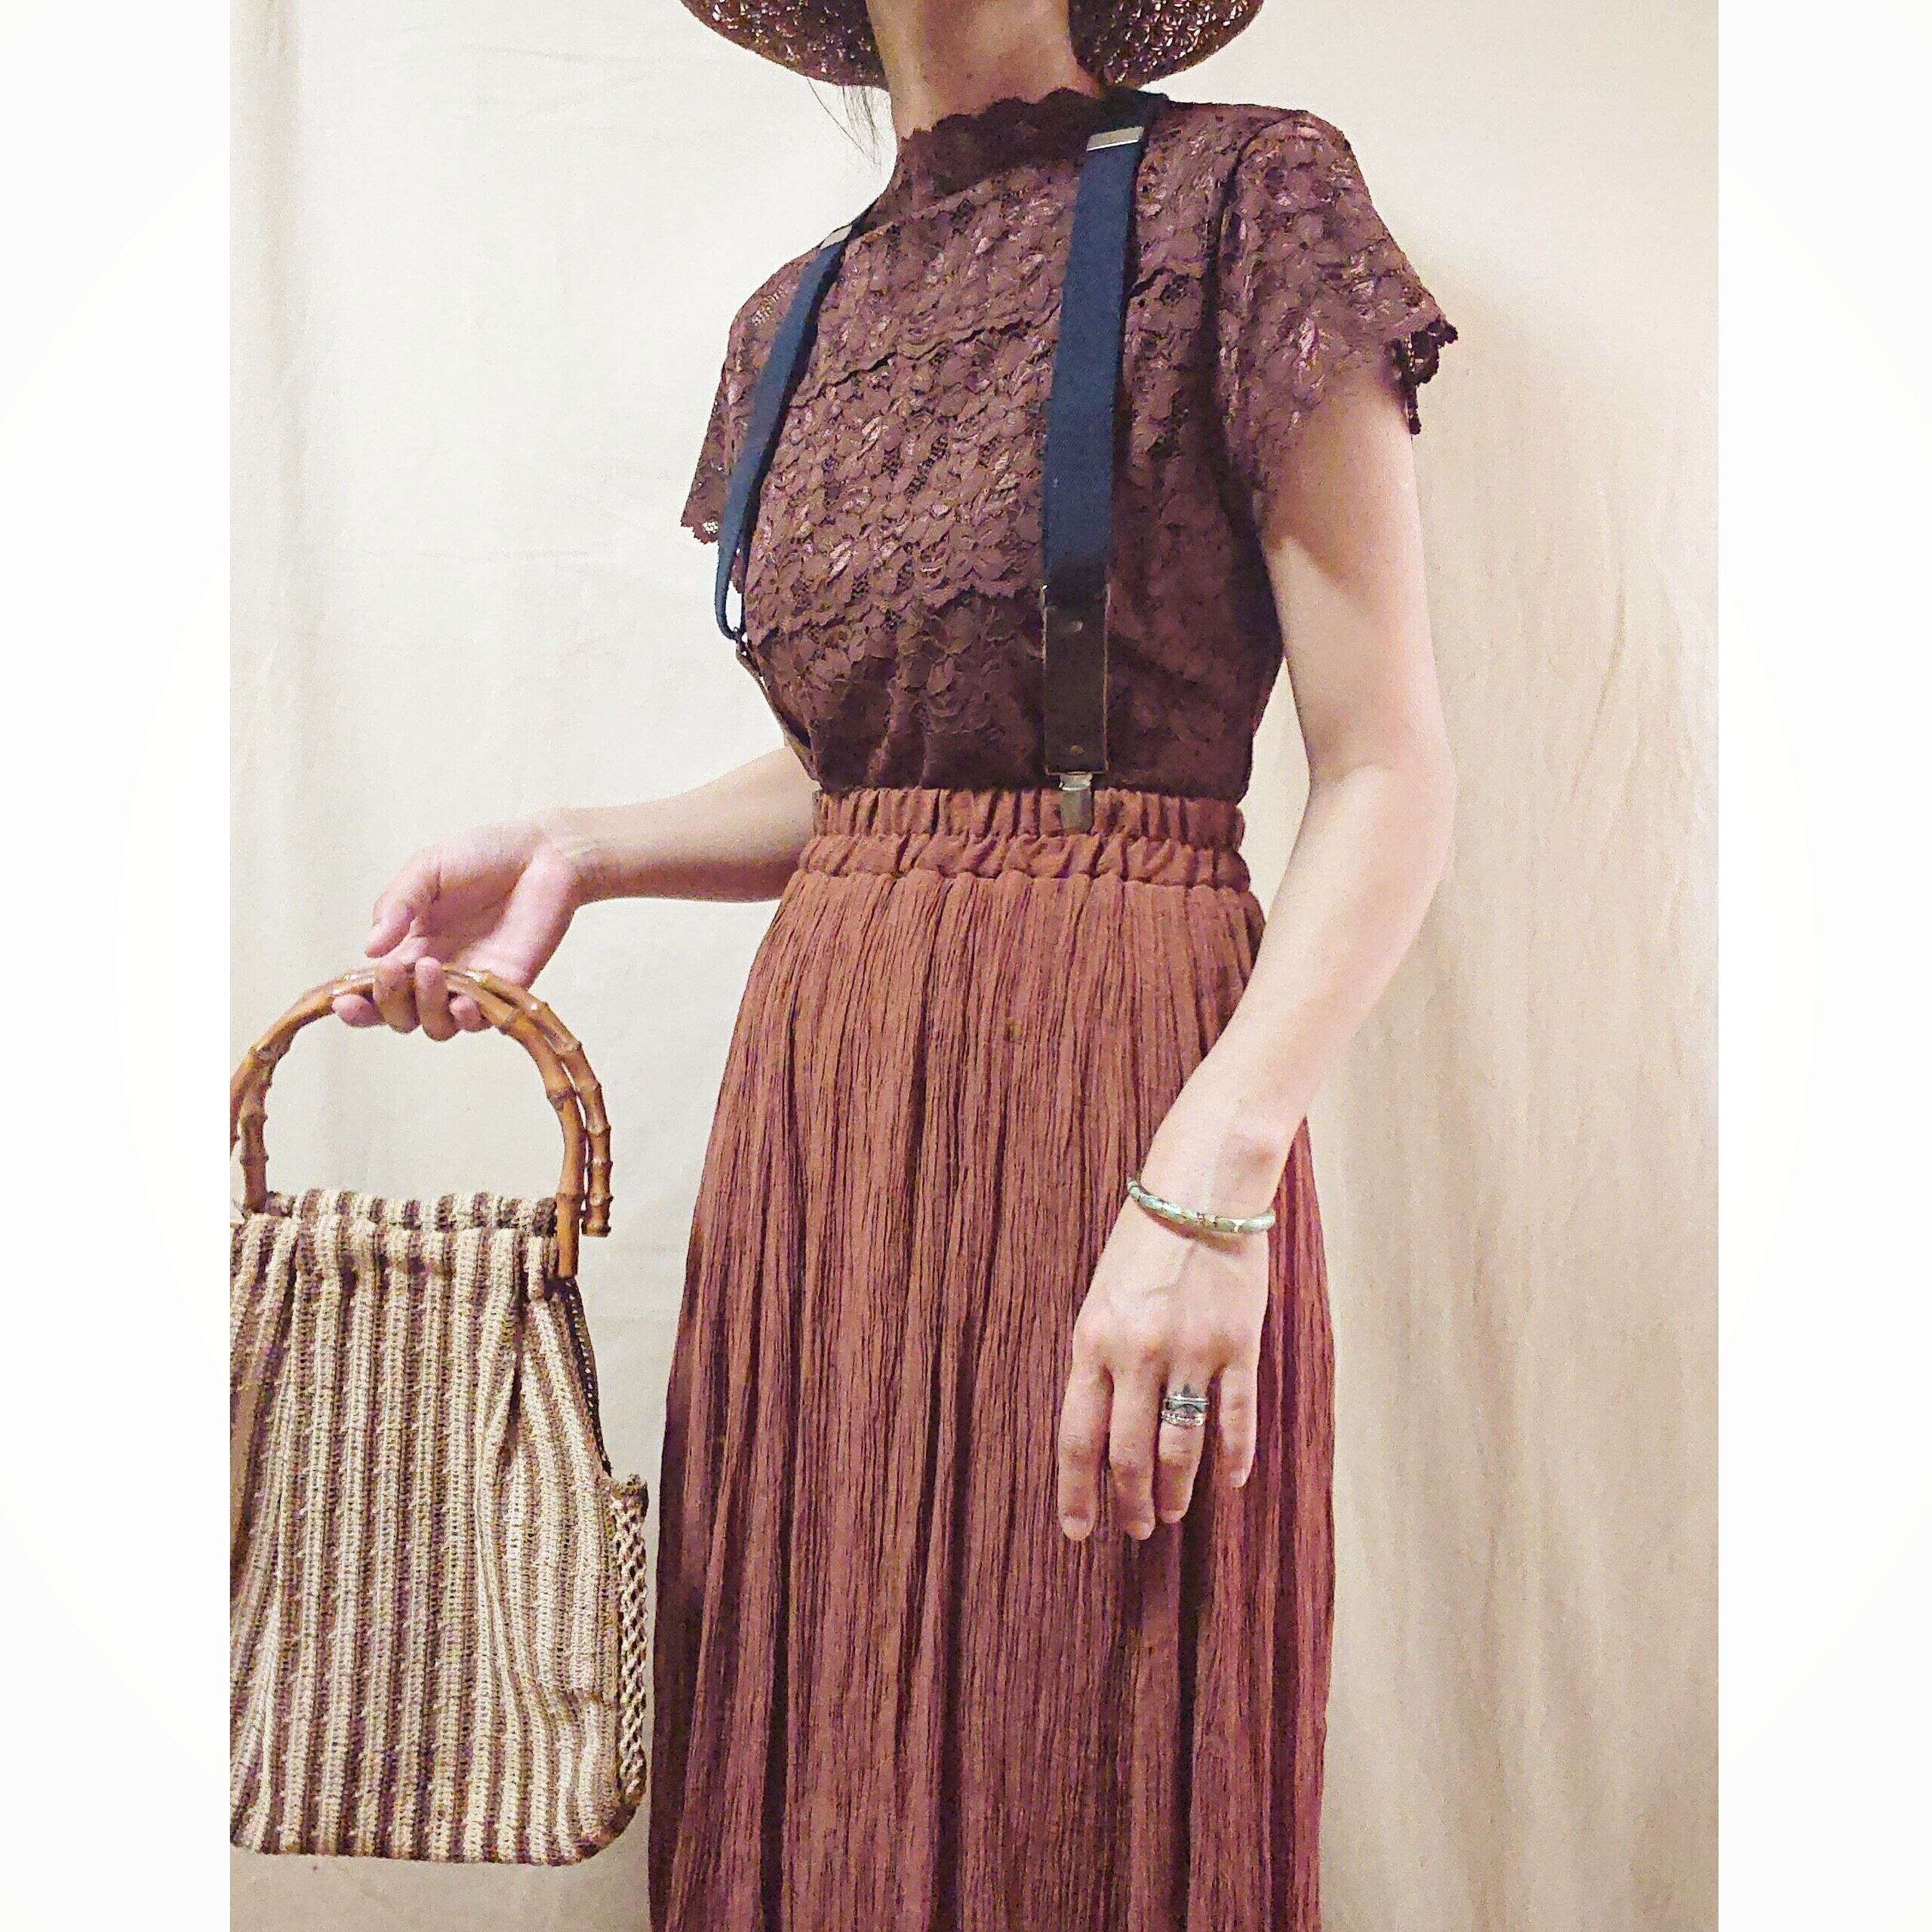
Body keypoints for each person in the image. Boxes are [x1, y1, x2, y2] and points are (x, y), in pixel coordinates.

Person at [336, 1, 1457, 1923]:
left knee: (1075, 1732)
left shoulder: (1246, 201)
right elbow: (881, 768)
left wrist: (1213, 1180)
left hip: (1115, 1084)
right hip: (829, 1117)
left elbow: (1382, 765)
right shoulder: (795, 316)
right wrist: (583, 846)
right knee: (819, 1718)